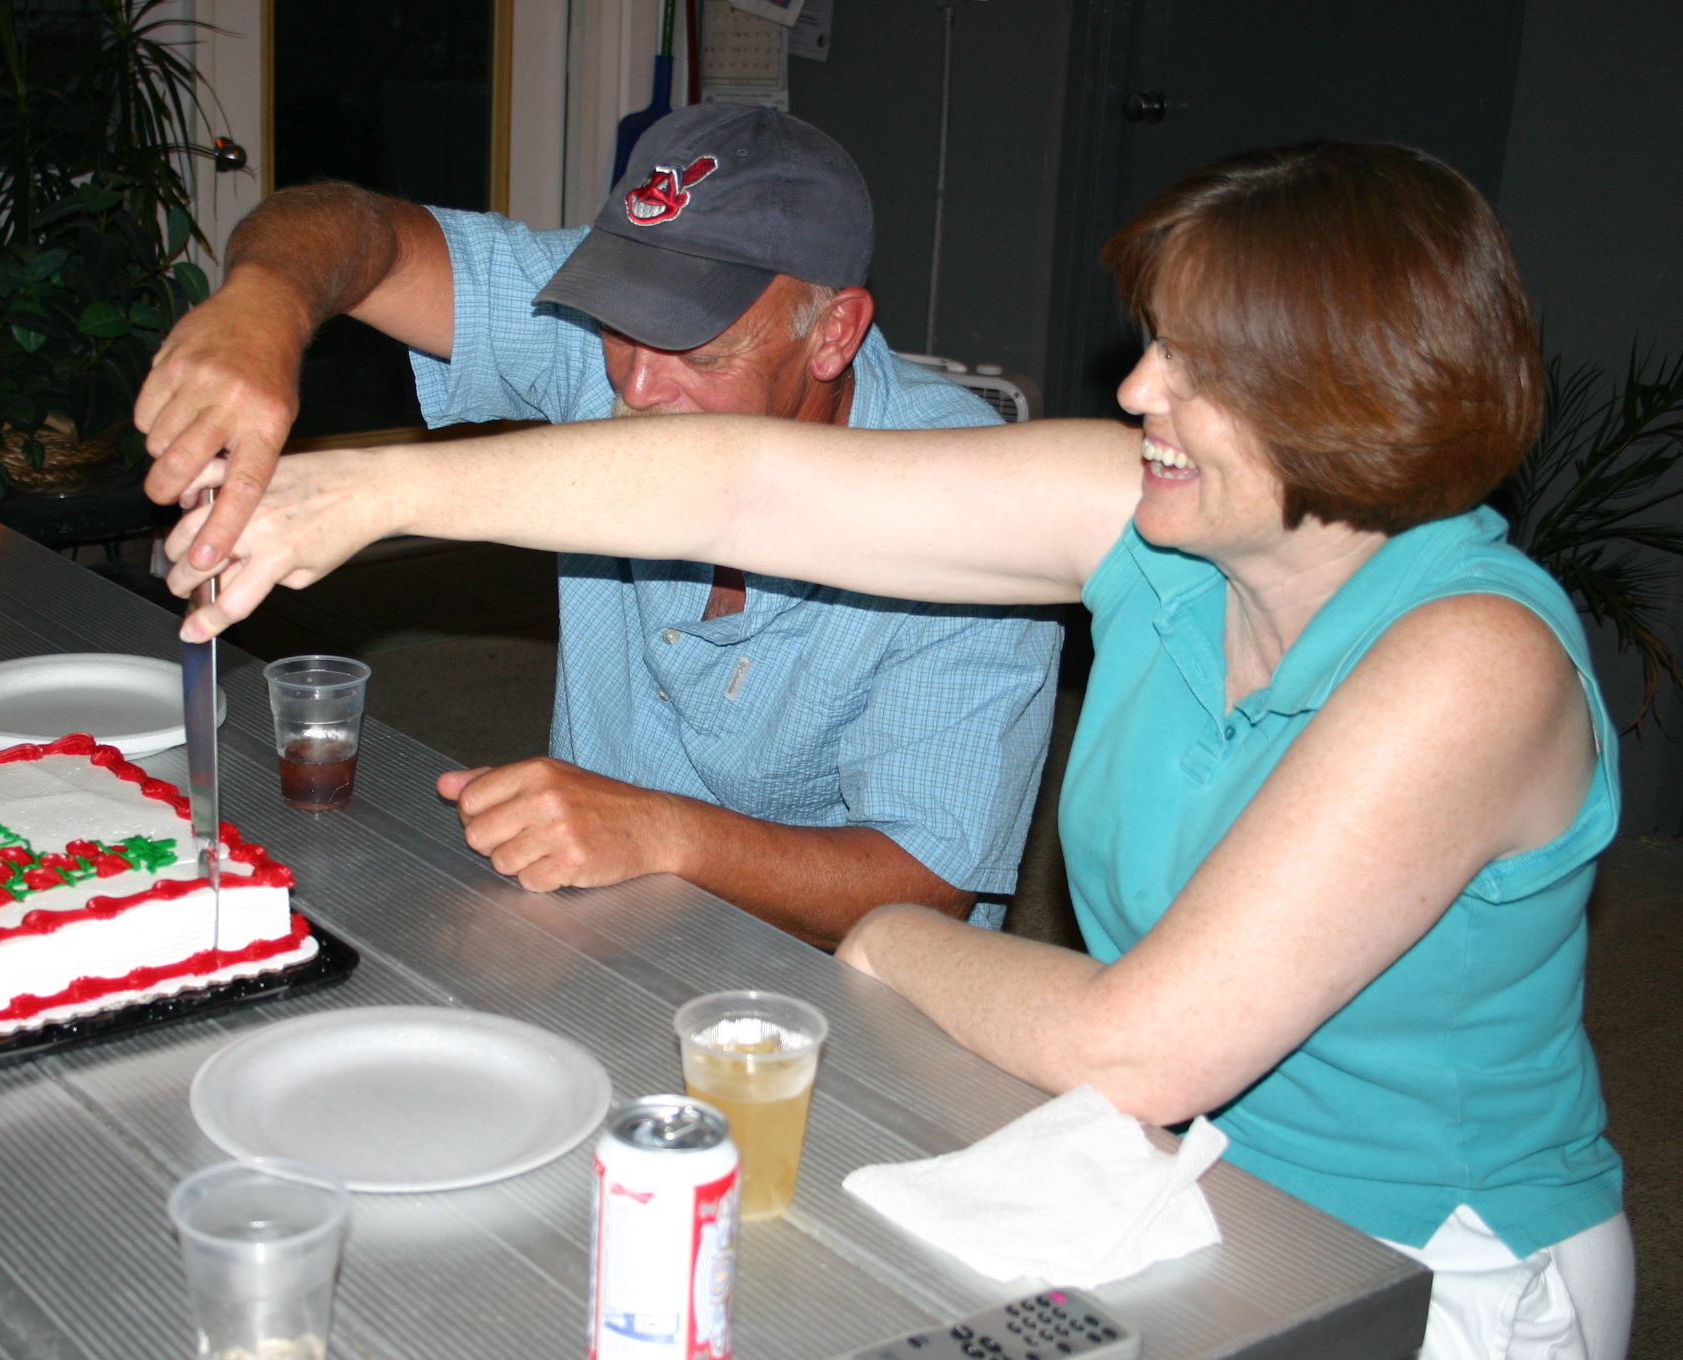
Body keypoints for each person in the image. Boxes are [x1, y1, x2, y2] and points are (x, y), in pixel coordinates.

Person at [165, 141, 1632, 1359]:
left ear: (1347, 392)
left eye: (1195, 365)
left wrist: (882, 935)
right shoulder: (1146, 522)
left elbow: (1139, 1045)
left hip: (1426, 1269)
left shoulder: (1473, 656)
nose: (1137, 390)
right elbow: (747, 487)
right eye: (1154, 346)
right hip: (1149, 1184)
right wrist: (361, 495)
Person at [137, 103, 1063, 947]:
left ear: (833, 333)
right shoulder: (613, 339)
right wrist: (266, 301)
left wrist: (662, 833)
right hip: (579, 917)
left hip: (833, 988)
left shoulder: (975, 507)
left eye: (699, 350)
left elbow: (926, 884)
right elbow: (360, 231)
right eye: (622, 326)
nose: (638, 386)